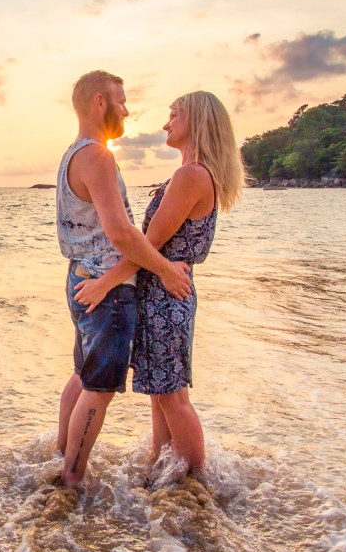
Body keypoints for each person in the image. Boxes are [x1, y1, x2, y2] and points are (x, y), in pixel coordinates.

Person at [73, 90, 244, 476]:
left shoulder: (190, 176)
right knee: (161, 394)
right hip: (164, 293)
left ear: (197, 121)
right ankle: (162, 469)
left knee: (172, 397)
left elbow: (149, 244)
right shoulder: (194, 174)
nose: (167, 123)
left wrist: (104, 284)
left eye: (174, 115)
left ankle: (196, 483)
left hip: (167, 295)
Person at [56, 70, 193, 489]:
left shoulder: (73, 154)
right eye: (121, 99)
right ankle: (71, 480)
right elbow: (120, 232)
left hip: (80, 276)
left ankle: (61, 458)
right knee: (99, 388)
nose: (127, 109)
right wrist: (167, 269)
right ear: (100, 102)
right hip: (106, 288)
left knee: (83, 375)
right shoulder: (98, 156)